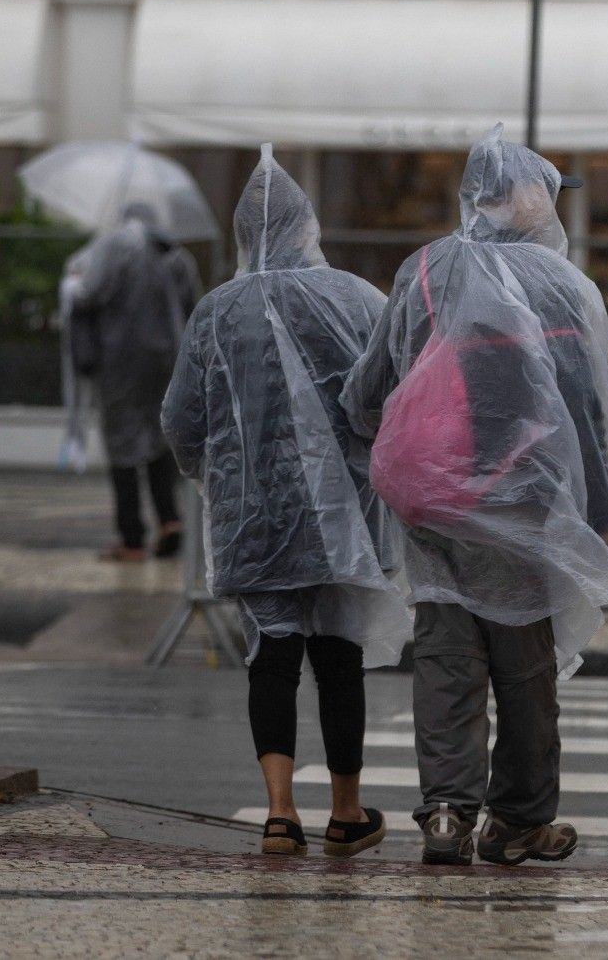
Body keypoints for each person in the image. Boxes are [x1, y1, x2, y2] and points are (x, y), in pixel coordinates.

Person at [343, 124, 608, 867]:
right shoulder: (559, 284)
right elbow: (585, 410)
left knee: (445, 653)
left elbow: (368, 388)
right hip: (522, 501)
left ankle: (445, 811)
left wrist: (404, 434)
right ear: (521, 198)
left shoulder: (426, 270)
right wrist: (599, 512)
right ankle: (519, 817)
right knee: (524, 664)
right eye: (543, 187)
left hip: (434, 494)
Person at [162, 146, 409, 858]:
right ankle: (346, 810)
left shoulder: (216, 312)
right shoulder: (358, 298)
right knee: (338, 653)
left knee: (271, 654)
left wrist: (213, 475)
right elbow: (392, 387)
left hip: (254, 515)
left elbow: (181, 417)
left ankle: (278, 812)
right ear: (308, 226)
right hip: (344, 518)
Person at [67, 202, 199, 561]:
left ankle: (132, 539)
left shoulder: (114, 246)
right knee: (158, 440)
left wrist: (75, 282)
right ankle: (170, 519)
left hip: (121, 360)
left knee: (121, 443)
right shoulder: (177, 257)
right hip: (168, 361)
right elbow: (194, 310)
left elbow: (88, 295)